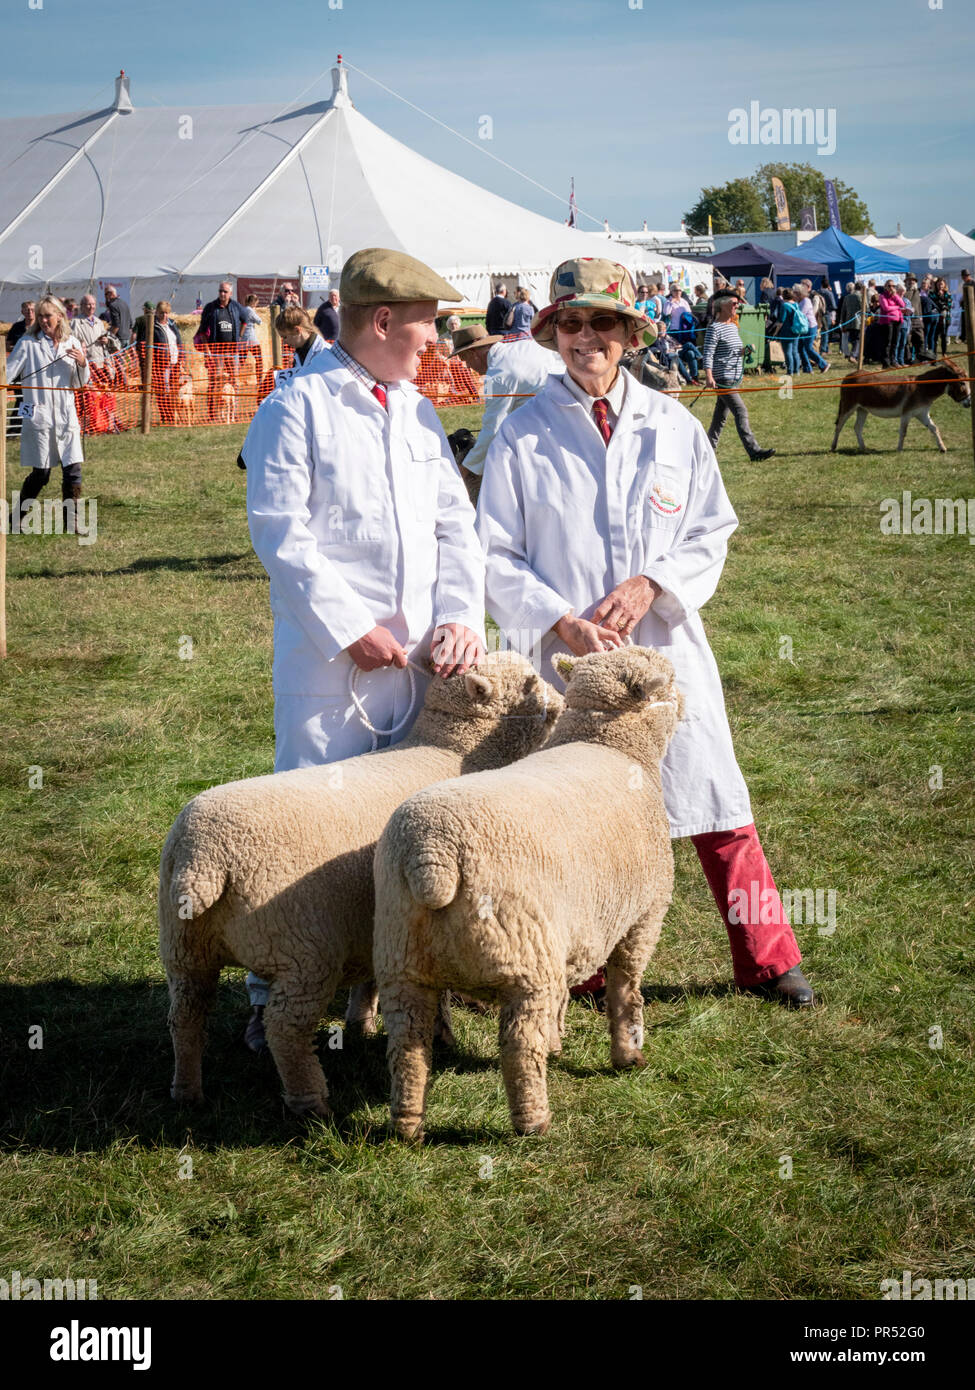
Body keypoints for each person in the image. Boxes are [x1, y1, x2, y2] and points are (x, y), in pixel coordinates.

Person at [477, 257, 813, 1009]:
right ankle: (587, 970)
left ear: (629, 333)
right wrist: (559, 619)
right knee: (577, 817)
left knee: (715, 800)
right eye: (570, 322)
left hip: (665, 652)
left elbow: (709, 529)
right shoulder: (523, 434)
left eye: (601, 322)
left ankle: (767, 958)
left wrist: (650, 583)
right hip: (570, 664)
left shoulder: (672, 426)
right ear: (552, 333)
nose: (584, 337)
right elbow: (493, 552)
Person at [240, 247, 487, 1048]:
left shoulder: (414, 410)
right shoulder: (295, 407)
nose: (435, 341)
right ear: (382, 320)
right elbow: (282, 533)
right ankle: (273, 1002)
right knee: (306, 827)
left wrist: (458, 615)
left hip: (417, 669)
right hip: (329, 669)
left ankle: (400, 990)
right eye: (426, 324)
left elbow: (457, 526)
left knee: (407, 827)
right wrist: (348, 626)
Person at [5, 295, 89, 531]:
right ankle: (16, 517)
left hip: (65, 415)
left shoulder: (71, 343)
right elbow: (8, 375)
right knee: (41, 473)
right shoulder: (28, 344)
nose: (43, 320)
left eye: (48, 315)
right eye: (40, 316)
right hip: (40, 417)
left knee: (73, 468)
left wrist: (82, 362)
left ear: (60, 316)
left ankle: (71, 522)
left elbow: (79, 383)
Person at [451, 324, 561, 499]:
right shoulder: (523, 347)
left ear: (473, 353)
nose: (468, 367)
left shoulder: (497, 375)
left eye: (465, 360)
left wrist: (465, 469)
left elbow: (492, 429)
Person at [704, 291, 775, 461]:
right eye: (734, 303)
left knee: (719, 418)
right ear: (722, 305)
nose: (737, 306)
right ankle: (754, 451)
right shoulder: (714, 328)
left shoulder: (732, 326)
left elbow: (733, 351)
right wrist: (709, 376)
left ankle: (706, 452)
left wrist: (745, 351)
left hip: (734, 377)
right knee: (740, 411)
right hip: (723, 379)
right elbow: (708, 354)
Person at [198, 281, 247, 421]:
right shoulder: (210, 308)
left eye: (225, 292)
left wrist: (240, 336)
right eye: (220, 291)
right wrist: (207, 351)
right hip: (216, 351)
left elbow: (245, 320)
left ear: (230, 293)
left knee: (235, 381)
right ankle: (213, 414)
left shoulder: (236, 307)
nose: (222, 294)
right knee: (215, 382)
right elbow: (202, 331)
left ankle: (233, 412)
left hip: (232, 351)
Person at [135, 300, 184, 424]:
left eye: (167, 313)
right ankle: (166, 416)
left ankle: (173, 415)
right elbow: (142, 344)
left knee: (174, 390)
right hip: (161, 364)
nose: (164, 315)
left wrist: (182, 359)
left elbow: (179, 342)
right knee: (163, 391)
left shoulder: (172, 324)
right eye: (162, 313)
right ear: (156, 312)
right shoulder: (151, 325)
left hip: (175, 363)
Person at [796, 280, 829, 373]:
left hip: (810, 326)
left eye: (797, 293)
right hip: (804, 327)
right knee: (800, 347)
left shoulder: (806, 301)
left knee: (809, 348)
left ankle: (824, 364)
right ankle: (807, 368)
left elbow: (801, 314)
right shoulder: (801, 301)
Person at [876, 281, 905, 368]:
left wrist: (895, 295)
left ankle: (893, 361)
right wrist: (897, 307)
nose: (891, 287)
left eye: (893, 285)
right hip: (887, 321)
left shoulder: (895, 296)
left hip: (898, 320)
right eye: (889, 286)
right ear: (885, 287)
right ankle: (886, 362)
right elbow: (886, 308)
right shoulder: (882, 296)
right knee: (887, 342)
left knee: (895, 342)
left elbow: (902, 304)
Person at [838, 282, 862, 362]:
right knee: (857, 340)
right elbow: (866, 309)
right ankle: (853, 355)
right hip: (858, 322)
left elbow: (843, 311)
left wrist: (843, 322)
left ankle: (854, 355)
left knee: (853, 340)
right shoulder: (861, 296)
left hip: (848, 322)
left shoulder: (846, 297)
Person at [929, 277, 951, 357]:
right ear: (936, 285)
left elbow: (949, 304)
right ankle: (934, 353)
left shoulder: (947, 294)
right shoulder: (932, 293)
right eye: (938, 284)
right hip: (936, 318)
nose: (940, 286)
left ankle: (944, 353)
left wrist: (943, 306)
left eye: (941, 284)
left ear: (944, 284)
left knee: (944, 336)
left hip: (946, 318)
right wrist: (941, 305)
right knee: (935, 337)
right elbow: (933, 303)